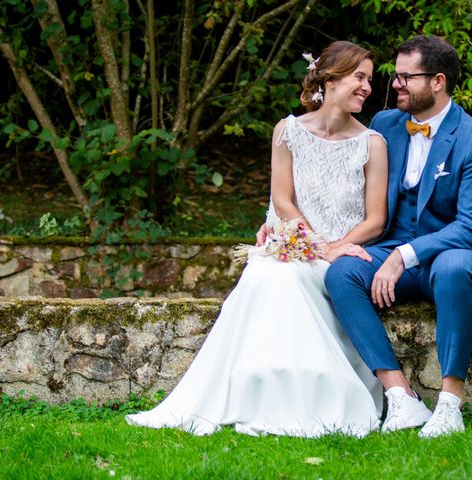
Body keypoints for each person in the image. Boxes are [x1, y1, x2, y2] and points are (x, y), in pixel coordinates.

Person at [126, 40, 389, 437]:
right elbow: (282, 200)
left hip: (345, 253)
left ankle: (313, 394)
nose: (368, 87)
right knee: (267, 275)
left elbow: (376, 219)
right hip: (298, 244)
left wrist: (334, 249)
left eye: (370, 79)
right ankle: (258, 391)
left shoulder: (372, 143)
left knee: (284, 278)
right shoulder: (287, 132)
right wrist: (312, 244)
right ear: (330, 78)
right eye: (359, 77)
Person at [324, 34, 472, 438]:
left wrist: (404, 254)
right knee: (342, 273)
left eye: (406, 77)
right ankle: (402, 397)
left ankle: (450, 404)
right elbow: (332, 159)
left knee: (455, 266)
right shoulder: (386, 124)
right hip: (393, 251)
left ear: (437, 81)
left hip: (458, 253)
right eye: (395, 75)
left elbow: (471, 226)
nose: (395, 85)